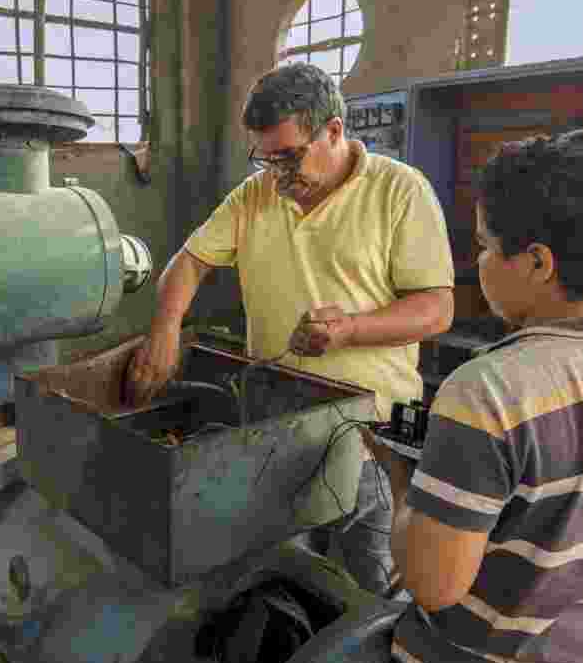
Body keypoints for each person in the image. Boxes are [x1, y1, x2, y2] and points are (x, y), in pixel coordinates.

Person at [125, 62, 455, 597]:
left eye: (290, 156)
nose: (278, 174)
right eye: (266, 158)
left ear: (333, 131)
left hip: (382, 421)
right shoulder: (255, 195)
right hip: (279, 415)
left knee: (367, 577)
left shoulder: (401, 190)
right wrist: (163, 332)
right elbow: (188, 262)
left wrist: (351, 329)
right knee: (282, 565)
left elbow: (438, 309)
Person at [365, 129, 583, 663]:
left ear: (537, 262)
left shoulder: (487, 392)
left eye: (486, 246)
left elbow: (434, 585)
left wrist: (402, 481)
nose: (480, 261)